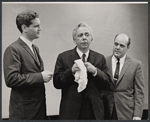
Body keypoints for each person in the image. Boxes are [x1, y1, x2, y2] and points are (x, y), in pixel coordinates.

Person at [53, 22, 111, 120]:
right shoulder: (63, 57)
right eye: (80, 35)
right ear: (74, 40)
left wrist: (95, 71)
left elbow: (107, 83)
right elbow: (57, 83)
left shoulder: (99, 58)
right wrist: (70, 71)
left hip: (94, 112)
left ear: (91, 39)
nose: (84, 38)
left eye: (87, 35)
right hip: (71, 112)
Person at [3, 10, 53, 120]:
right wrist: (40, 77)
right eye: (36, 26)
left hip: (38, 110)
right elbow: (11, 79)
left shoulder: (35, 48)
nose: (40, 29)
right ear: (24, 28)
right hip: (24, 114)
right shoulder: (13, 49)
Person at [102, 33, 145, 120]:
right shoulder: (103, 61)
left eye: (122, 45)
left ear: (128, 48)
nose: (117, 47)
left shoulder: (136, 65)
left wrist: (137, 115)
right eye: (116, 44)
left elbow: (139, 92)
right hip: (106, 111)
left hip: (126, 112)